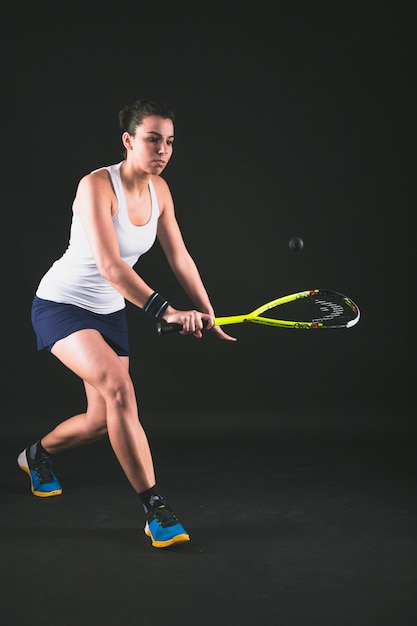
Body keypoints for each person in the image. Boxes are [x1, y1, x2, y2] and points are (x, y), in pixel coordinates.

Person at [18, 98, 237, 549]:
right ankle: (156, 508)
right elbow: (110, 267)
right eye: (153, 139)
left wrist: (206, 312)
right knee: (121, 390)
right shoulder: (97, 185)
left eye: (170, 142)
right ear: (128, 140)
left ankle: (36, 456)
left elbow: (180, 257)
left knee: (102, 420)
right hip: (61, 304)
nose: (162, 150)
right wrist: (167, 310)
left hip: (109, 312)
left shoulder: (162, 192)